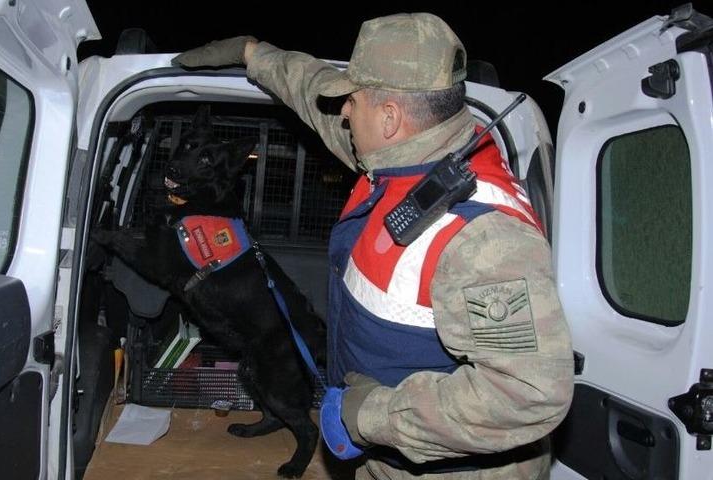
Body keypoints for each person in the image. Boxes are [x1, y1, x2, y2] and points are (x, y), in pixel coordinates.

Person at [173, 12, 574, 479]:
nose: (343, 112)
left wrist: (372, 417)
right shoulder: (410, 152)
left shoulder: (484, 239)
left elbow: (527, 393)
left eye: (353, 102)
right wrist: (253, 54)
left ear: (389, 118)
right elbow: (317, 94)